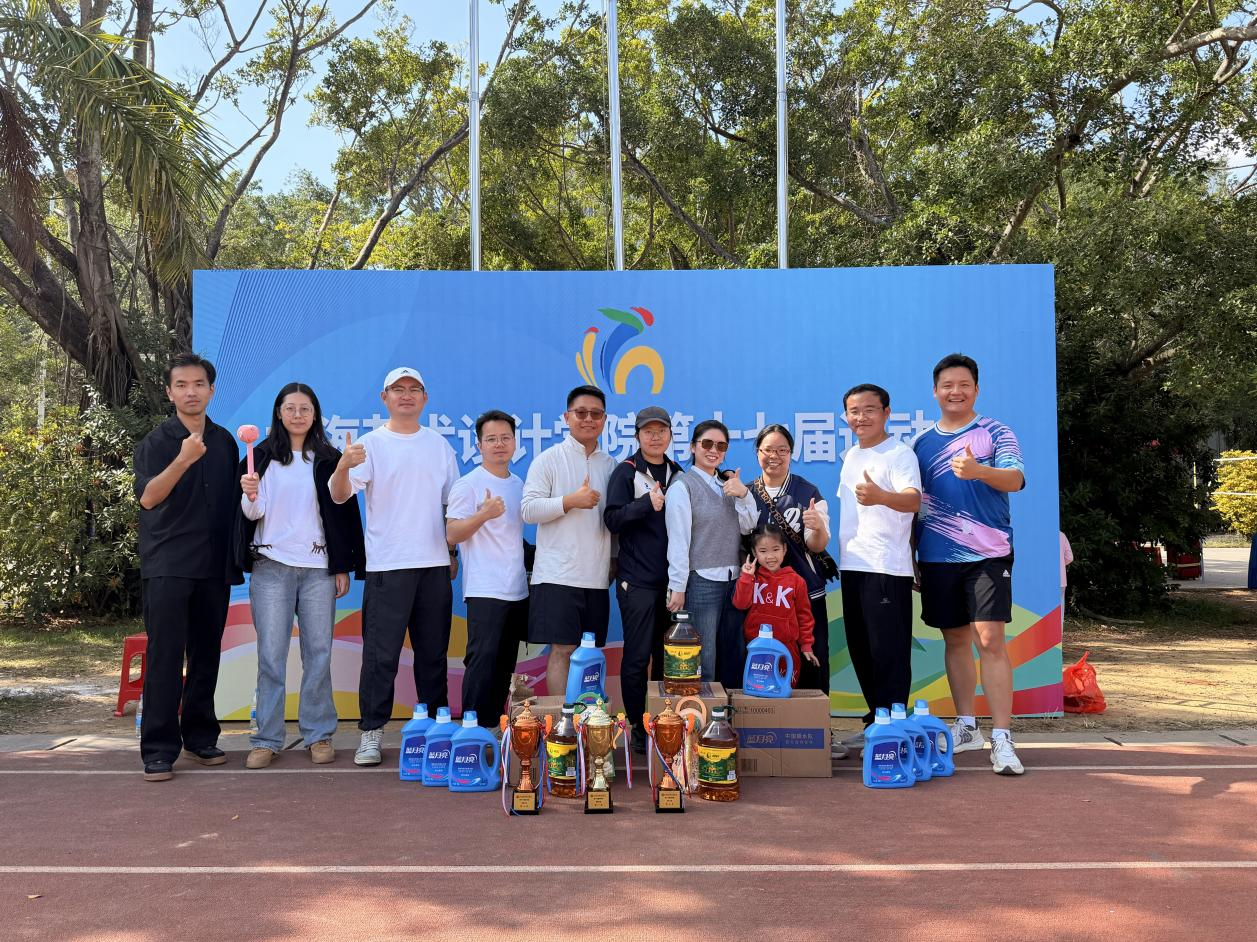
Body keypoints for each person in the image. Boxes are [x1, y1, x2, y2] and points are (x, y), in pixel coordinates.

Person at [330, 367, 459, 767]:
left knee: (433, 655)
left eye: (413, 389)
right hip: (388, 567)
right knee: (380, 656)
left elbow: (451, 504)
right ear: (384, 398)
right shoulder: (370, 445)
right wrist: (342, 466)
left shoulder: (439, 446)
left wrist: (452, 553)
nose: (406, 395)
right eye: (397, 389)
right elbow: (339, 496)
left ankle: (436, 730)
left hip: (434, 565)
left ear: (425, 397)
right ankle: (371, 731)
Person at [236, 382, 365, 769]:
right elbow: (252, 514)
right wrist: (249, 493)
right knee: (270, 656)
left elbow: (342, 515)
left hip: (318, 570)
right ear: (278, 412)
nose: (297, 415)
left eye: (304, 408)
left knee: (319, 654)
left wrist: (340, 566)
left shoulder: (329, 458)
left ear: (315, 414)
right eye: (290, 408)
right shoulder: (259, 457)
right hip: (270, 567)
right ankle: (266, 739)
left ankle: (319, 734)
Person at [914, 353, 1027, 776]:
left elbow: (1015, 479)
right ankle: (966, 726)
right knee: (955, 640)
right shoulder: (921, 444)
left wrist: (979, 470)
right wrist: (913, 555)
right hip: (937, 555)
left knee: (990, 640)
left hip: (988, 553)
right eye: (947, 385)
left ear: (976, 389)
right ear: (935, 391)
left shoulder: (996, 432)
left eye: (964, 385)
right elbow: (916, 504)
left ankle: (1002, 737)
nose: (955, 392)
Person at [132, 353, 242, 782]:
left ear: (211, 390)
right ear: (169, 392)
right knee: (165, 655)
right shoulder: (156, 442)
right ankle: (159, 749)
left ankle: (199, 737)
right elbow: (148, 498)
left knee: (206, 654)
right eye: (181, 385)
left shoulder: (226, 441)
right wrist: (182, 459)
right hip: (168, 564)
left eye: (198, 384)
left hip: (213, 564)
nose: (191, 392)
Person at [836, 383, 922, 748]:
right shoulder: (851, 456)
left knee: (889, 653)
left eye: (869, 409)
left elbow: (913, 500)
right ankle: (877, 723)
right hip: (853, 565)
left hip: (886, 567)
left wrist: (882, 496)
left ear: (886, 413)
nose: (861, 417)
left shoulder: (899, 455)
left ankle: (894, 729)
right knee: (862, 650)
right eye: (854, 411)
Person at [521, 385, 617, 698]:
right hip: (557, 576)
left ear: (604, 419)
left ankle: (588, 720)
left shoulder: (611, 466)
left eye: (596, 413)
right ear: (567, 417)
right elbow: (528, 510)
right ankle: (562, 722)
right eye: (581, 412)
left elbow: (615, 520)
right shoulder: (548, 460)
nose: (588, 419)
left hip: (596, 577)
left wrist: (614, 561)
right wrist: (570, 501)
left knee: (589, 652)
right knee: (562, 649)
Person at [603, 405, 683, 752]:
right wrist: (645, 504)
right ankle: (637, 724)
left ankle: (663, 721)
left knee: (666, 656)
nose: (655, 437)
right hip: (636, 581)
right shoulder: (627, 472)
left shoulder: (678, 473)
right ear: (637, 435)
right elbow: (611, 519)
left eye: (661, 431)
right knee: (637, 657)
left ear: (670, 435)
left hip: (672, 584)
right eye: (648, 431)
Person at [446, 410, 529, 727]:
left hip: (516, 588)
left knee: (505, 663)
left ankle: (493, 725)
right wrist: (483, 514)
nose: (499, 444)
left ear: (515, 443)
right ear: (479, 445)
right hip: (484, 588)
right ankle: (471, 728)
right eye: (491, 439)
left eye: (505, 438)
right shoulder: (468, 484)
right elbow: (452, 533)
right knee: (482, 660)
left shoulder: (519, 484)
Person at [665, 419, 757, 688]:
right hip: (701, 582)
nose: (713, 450)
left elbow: (748, 526)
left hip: (734, 581)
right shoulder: (682, 486)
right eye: (707, 444)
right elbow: (678, 541)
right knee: (703, 660)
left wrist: (744, 495)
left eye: (721, 446)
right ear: (693, 447)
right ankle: (698, 713)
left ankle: (726, 713)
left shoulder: (728, 485)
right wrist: (677, 587)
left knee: (732, 655)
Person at [747, 424, 833, 692]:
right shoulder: (747, 494)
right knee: (762, 663)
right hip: (762, 598)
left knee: (812, 659)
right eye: (768, 450)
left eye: (782, 450)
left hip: (805, 594)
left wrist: (817, 527)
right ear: (757, 452)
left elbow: (817, 545)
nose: (774, 456)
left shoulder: (807, 492)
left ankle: (813, 716)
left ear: (791, 453)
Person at [732, 524, 819, 685]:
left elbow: (804, 616)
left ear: (784, 549)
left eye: (775, 549)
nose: (770, 556)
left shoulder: (797, 582)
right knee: (757, 689)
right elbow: (740, 604)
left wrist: (806, 645)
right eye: (763, 551)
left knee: (782, 689)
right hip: (755, 648)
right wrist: (746, 578)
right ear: (754, 553)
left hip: (786, 649)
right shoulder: (751, 579)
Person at [1060, 531, 1073, 610]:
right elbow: (1069, 558)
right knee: (1059, 608)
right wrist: (1060, 565)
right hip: (1061, 580)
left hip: (1043, 579)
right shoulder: (1061, 535)